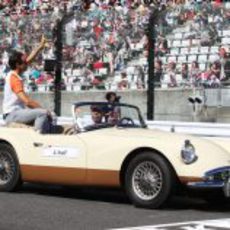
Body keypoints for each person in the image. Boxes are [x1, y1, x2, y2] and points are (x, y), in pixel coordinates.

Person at [2, 35, 53, 134]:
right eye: (24, 62)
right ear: (18, 64)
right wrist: (45, 110)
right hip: (12, 115)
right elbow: (27, 102)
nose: (27, 63)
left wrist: (40, 46)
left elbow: (29, 59)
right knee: (43, 113)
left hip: (17, 113)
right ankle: (36, 138)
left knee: (47, 114)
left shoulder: (16, 72)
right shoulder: (14, 78)